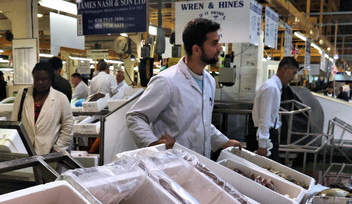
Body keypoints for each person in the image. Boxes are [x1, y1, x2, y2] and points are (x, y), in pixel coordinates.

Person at [125, 18, 240, 158]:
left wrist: (224, 142)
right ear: (196, 50)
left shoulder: (209, 81)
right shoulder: (167, 81)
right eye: (214, 43)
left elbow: (202, 123)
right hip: (171, 162)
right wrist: (152, 143)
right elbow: (135, 116)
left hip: (200, 162)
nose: (220, 48)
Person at [10, 61, 73, 155]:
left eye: (44, 79)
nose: (39, 82)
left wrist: (57, 149)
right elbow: (14, 122)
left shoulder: (61, 98)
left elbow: (68, 126)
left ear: (51, 80)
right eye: (36, 79)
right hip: (24, 151)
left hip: (49, 152)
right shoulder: (22, 95)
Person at [252, 57, 300, 162]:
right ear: (285, 69)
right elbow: (265, 117)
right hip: (264, 135)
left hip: (267, 134)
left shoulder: (275, 87)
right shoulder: (271, 88)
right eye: (293, 73)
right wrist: (262, 144)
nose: (293, 78)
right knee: (267, 168)